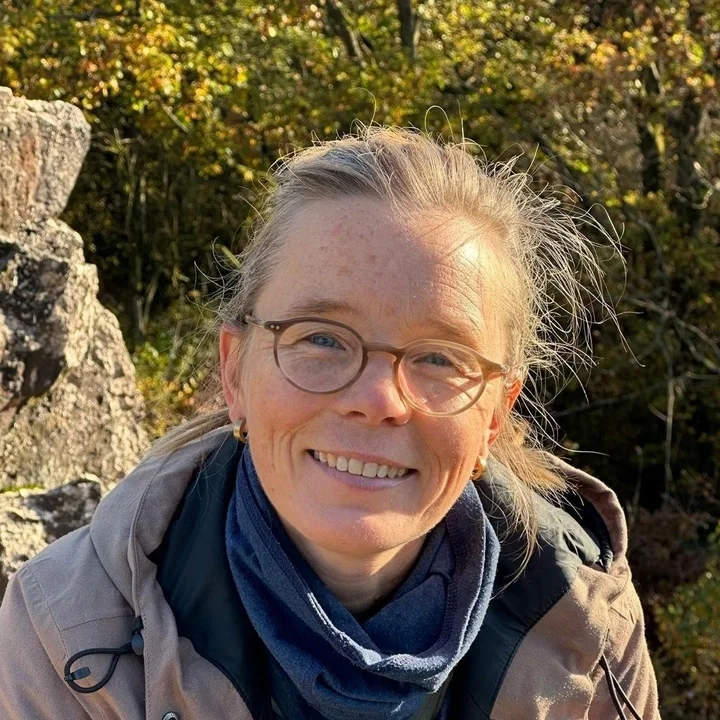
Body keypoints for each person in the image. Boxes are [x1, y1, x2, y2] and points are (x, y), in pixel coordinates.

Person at [0, 127, 660, 719]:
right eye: (321, 338)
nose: (378, 399)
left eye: (439, 357)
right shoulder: (68, 626)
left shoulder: (585, 623)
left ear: (495, 414)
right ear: (235, 373)